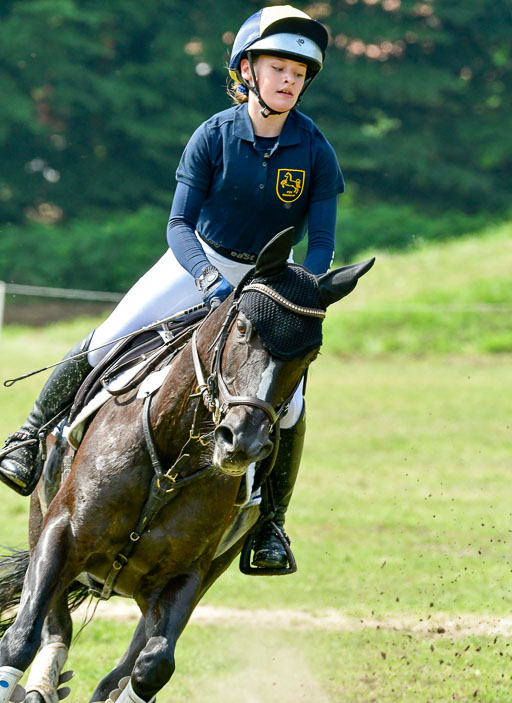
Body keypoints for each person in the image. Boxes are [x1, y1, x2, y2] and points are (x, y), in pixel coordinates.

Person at [0, 5, 344, 569]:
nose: (289, 80)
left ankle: (271, 527)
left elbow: (323, 242)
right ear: (248, 71)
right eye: (279, 68)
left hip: (269, 280)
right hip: (197, 261)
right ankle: (27, 439)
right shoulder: (213, 135)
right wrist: (207, 278)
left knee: (290, 406)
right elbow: (179, 224)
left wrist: (296, 290)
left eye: (299, 73)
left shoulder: (315, 150)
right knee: (107, 340)